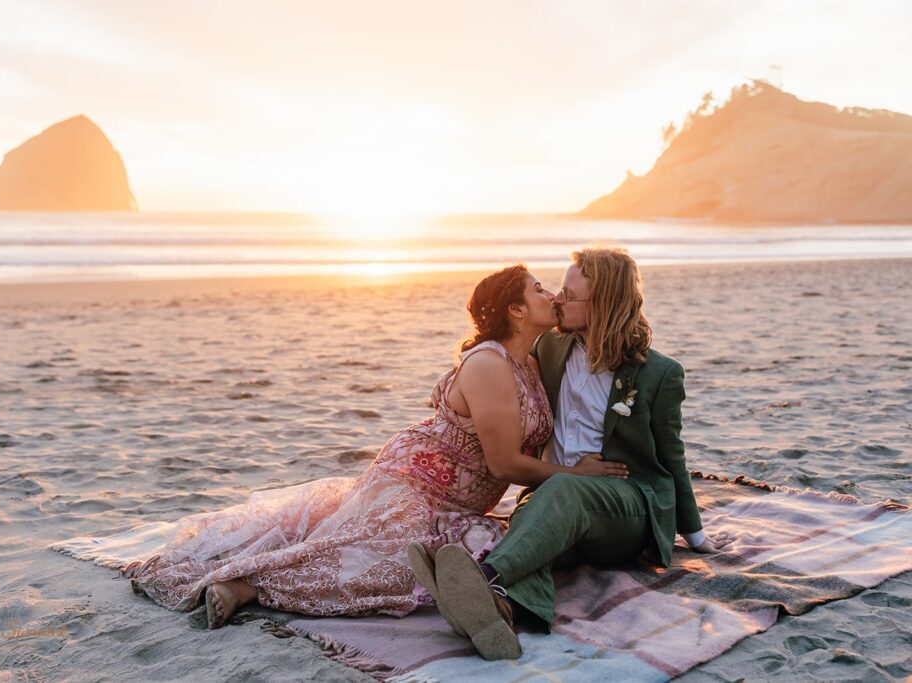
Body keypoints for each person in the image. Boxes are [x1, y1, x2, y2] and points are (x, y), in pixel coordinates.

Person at [116, 265, 628, 629]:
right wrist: (577, 476)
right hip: (416, 483)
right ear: (517, 310)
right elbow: (504, 464)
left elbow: (529, 451)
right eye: (541, 289)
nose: (552, 296)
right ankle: (245, 586)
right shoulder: (491, 364)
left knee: (475, 557)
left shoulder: (532, 363)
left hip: (458, 502)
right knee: (383, 562)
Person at [411, 247, 733, 660]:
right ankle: (503, 610)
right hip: (554, 499)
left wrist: (695, 534)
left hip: (626, 505)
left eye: (569, 294)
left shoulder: (658, 373)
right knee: (533, 532)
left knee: (563, 491)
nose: (558, 300)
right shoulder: (550, 350)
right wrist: (458, 373)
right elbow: (498, 357)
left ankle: (484, 576)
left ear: (602, 304)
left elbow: (672, 455)